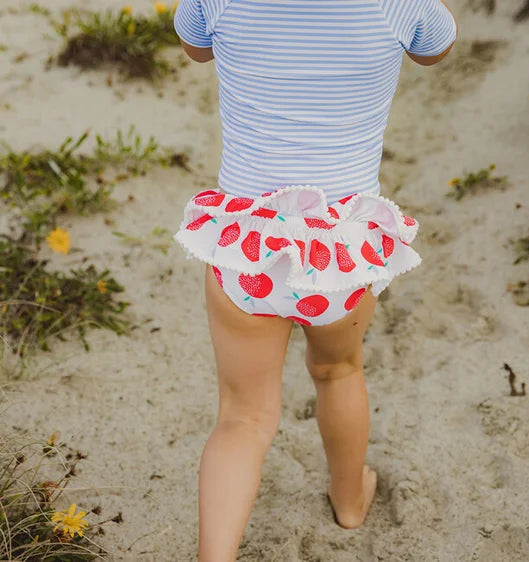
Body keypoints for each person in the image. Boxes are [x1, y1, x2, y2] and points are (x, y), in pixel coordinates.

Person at [172, 0, 457, 559]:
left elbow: (195, 46)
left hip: (247, 250)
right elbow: (436, 50)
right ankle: (350, 501)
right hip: (341, 256)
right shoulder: (398, 4)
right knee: (338, 371)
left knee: (243, 416)